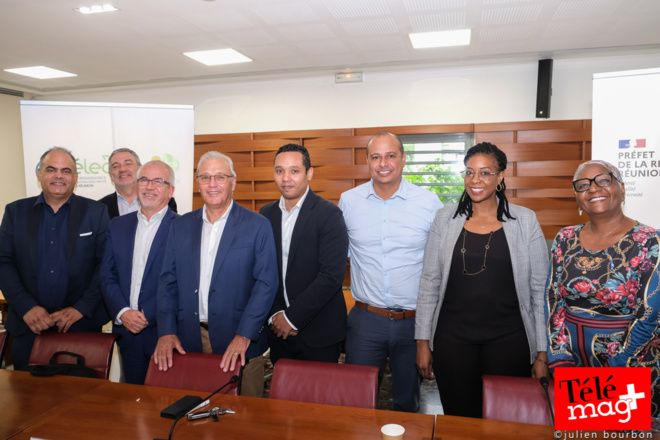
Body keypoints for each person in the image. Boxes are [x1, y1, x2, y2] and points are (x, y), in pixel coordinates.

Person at [415, 142, 549, 418]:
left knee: (505, 419)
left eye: (485, 173)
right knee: (459, 419)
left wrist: (541, 354)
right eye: (469, 172)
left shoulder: (525, 220)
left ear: (500, 177)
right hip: (453, 341)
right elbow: (429, 282)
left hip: (509, 341)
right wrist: (422, 342)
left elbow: (540, 292)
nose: (475, 180)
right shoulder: (445, 218)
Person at [154, 151, 278, 397]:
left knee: (244, 423)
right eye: (205, 177)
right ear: (197, 182)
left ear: (233, 181)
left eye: (220, 177)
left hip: (240, 342)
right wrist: (167, 331)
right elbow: (168, 281)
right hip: (189, 340)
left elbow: (266, 284)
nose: (212, 184)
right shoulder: (179, 226)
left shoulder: (257, 225)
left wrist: (244, 335)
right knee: (192, 414)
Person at [338, 132, 443, 412]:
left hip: (413, 323)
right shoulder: (348, 202)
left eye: (390, 155)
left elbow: (441, 265)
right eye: (376, 156)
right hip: (365, 321)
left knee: (408, 403)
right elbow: (337, 256)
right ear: (368, 161)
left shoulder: (429, 203)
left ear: (403, 159)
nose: (383, 163)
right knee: (357, 402)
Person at [546, 159, 660, 416]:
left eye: (604, 180)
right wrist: (559, 356)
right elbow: (552, 299)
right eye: (583, 185)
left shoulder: (649, 240)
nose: (594, 188)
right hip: (572, 361)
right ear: (577, 197)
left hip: (629, 362)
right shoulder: (564, 239)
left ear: (621, 188)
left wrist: (618, 366)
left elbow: (650, 314)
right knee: (580, 433)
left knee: (622, 432)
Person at [0, 147, 110, 370]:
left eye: (66, 170)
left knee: (80, 399)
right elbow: (4, 262)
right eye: (51, 169)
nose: (59, 175)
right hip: (27, 326)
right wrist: (26, 307)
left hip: (81, 326)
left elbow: (106, 265)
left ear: (75, 177)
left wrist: (80, 308)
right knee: (28, 401)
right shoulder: (15, 212)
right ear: (39, 173)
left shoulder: (96, 212)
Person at [260, 144, 349, 365]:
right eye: (279, 171)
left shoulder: (330, 214)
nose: (286, 178)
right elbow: (261, 271)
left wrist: (292, 318)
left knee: (318, 398)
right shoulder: (265, 214)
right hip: (278, 330)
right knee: (282, 398)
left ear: (309, 173)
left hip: (319, 333)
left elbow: (331, 276)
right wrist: (275, 316)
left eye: (294, 170)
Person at [100, 160, 179, 384]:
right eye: (144, 180)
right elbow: (107, 275)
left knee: (165, 402)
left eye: (158, 181)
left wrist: (147, 316)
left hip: (164, 332)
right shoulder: (117, 225)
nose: (149, 186)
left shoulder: (184, 227)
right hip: (128, 333)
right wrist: (123, 312)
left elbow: (182, 282)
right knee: (132, 404)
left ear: (170, 190)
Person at [99, 148, 177, 218]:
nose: (122, 169)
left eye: (128, 164)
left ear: (140, 169)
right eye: (116, 166)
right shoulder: (100, 207)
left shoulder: (165, 201)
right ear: (110, 175)